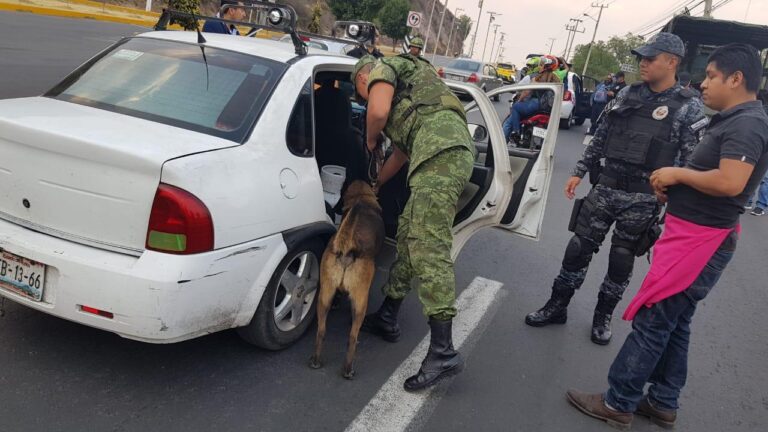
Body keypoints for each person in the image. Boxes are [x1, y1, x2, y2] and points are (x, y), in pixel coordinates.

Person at [566, 43, 768, 430]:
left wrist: (677, 175)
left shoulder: (747, 123)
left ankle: (618, 401)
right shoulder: (731, 118)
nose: (705, 84)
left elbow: (731, 181)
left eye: (711, 76)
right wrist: (675, 188)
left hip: (702, 240)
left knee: (655, 319)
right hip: (693, 232)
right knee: (676, 321)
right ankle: (662, 401)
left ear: (736, 78)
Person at [524, 33, 707, 345]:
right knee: (578, 249)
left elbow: (692, 162)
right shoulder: (627, 93)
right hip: (605, 187)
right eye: (642, 58)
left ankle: (602, 316)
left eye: (651, 58)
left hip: (643, 199)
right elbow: (602, 134)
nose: (643, 63)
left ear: (672, 62)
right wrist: (580, 171)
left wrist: (672, 195)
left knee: (621, 259)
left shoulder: (688, 108)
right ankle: (557, 306)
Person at [351, 54, 475, 391]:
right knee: (408, 236)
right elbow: (401, 154)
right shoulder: (413, 95)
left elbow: (377, 112)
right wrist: (376, 184)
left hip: (441, 157)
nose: (364, 98)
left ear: (364, 78)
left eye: (360, 92)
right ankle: (389, 315)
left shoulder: (383, 68)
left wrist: (371, 138)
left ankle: (443, 352)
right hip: (440, 155)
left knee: (428, 247)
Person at [502, 55, 561, 142]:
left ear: (546, 66)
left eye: (541, 64)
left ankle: (515, 133)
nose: (539, 66)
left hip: (535, 105)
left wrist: (520, 99)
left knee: (514, 110)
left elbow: (526, 91)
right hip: (550, 110)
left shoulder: (536, 78)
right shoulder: (557, 81)